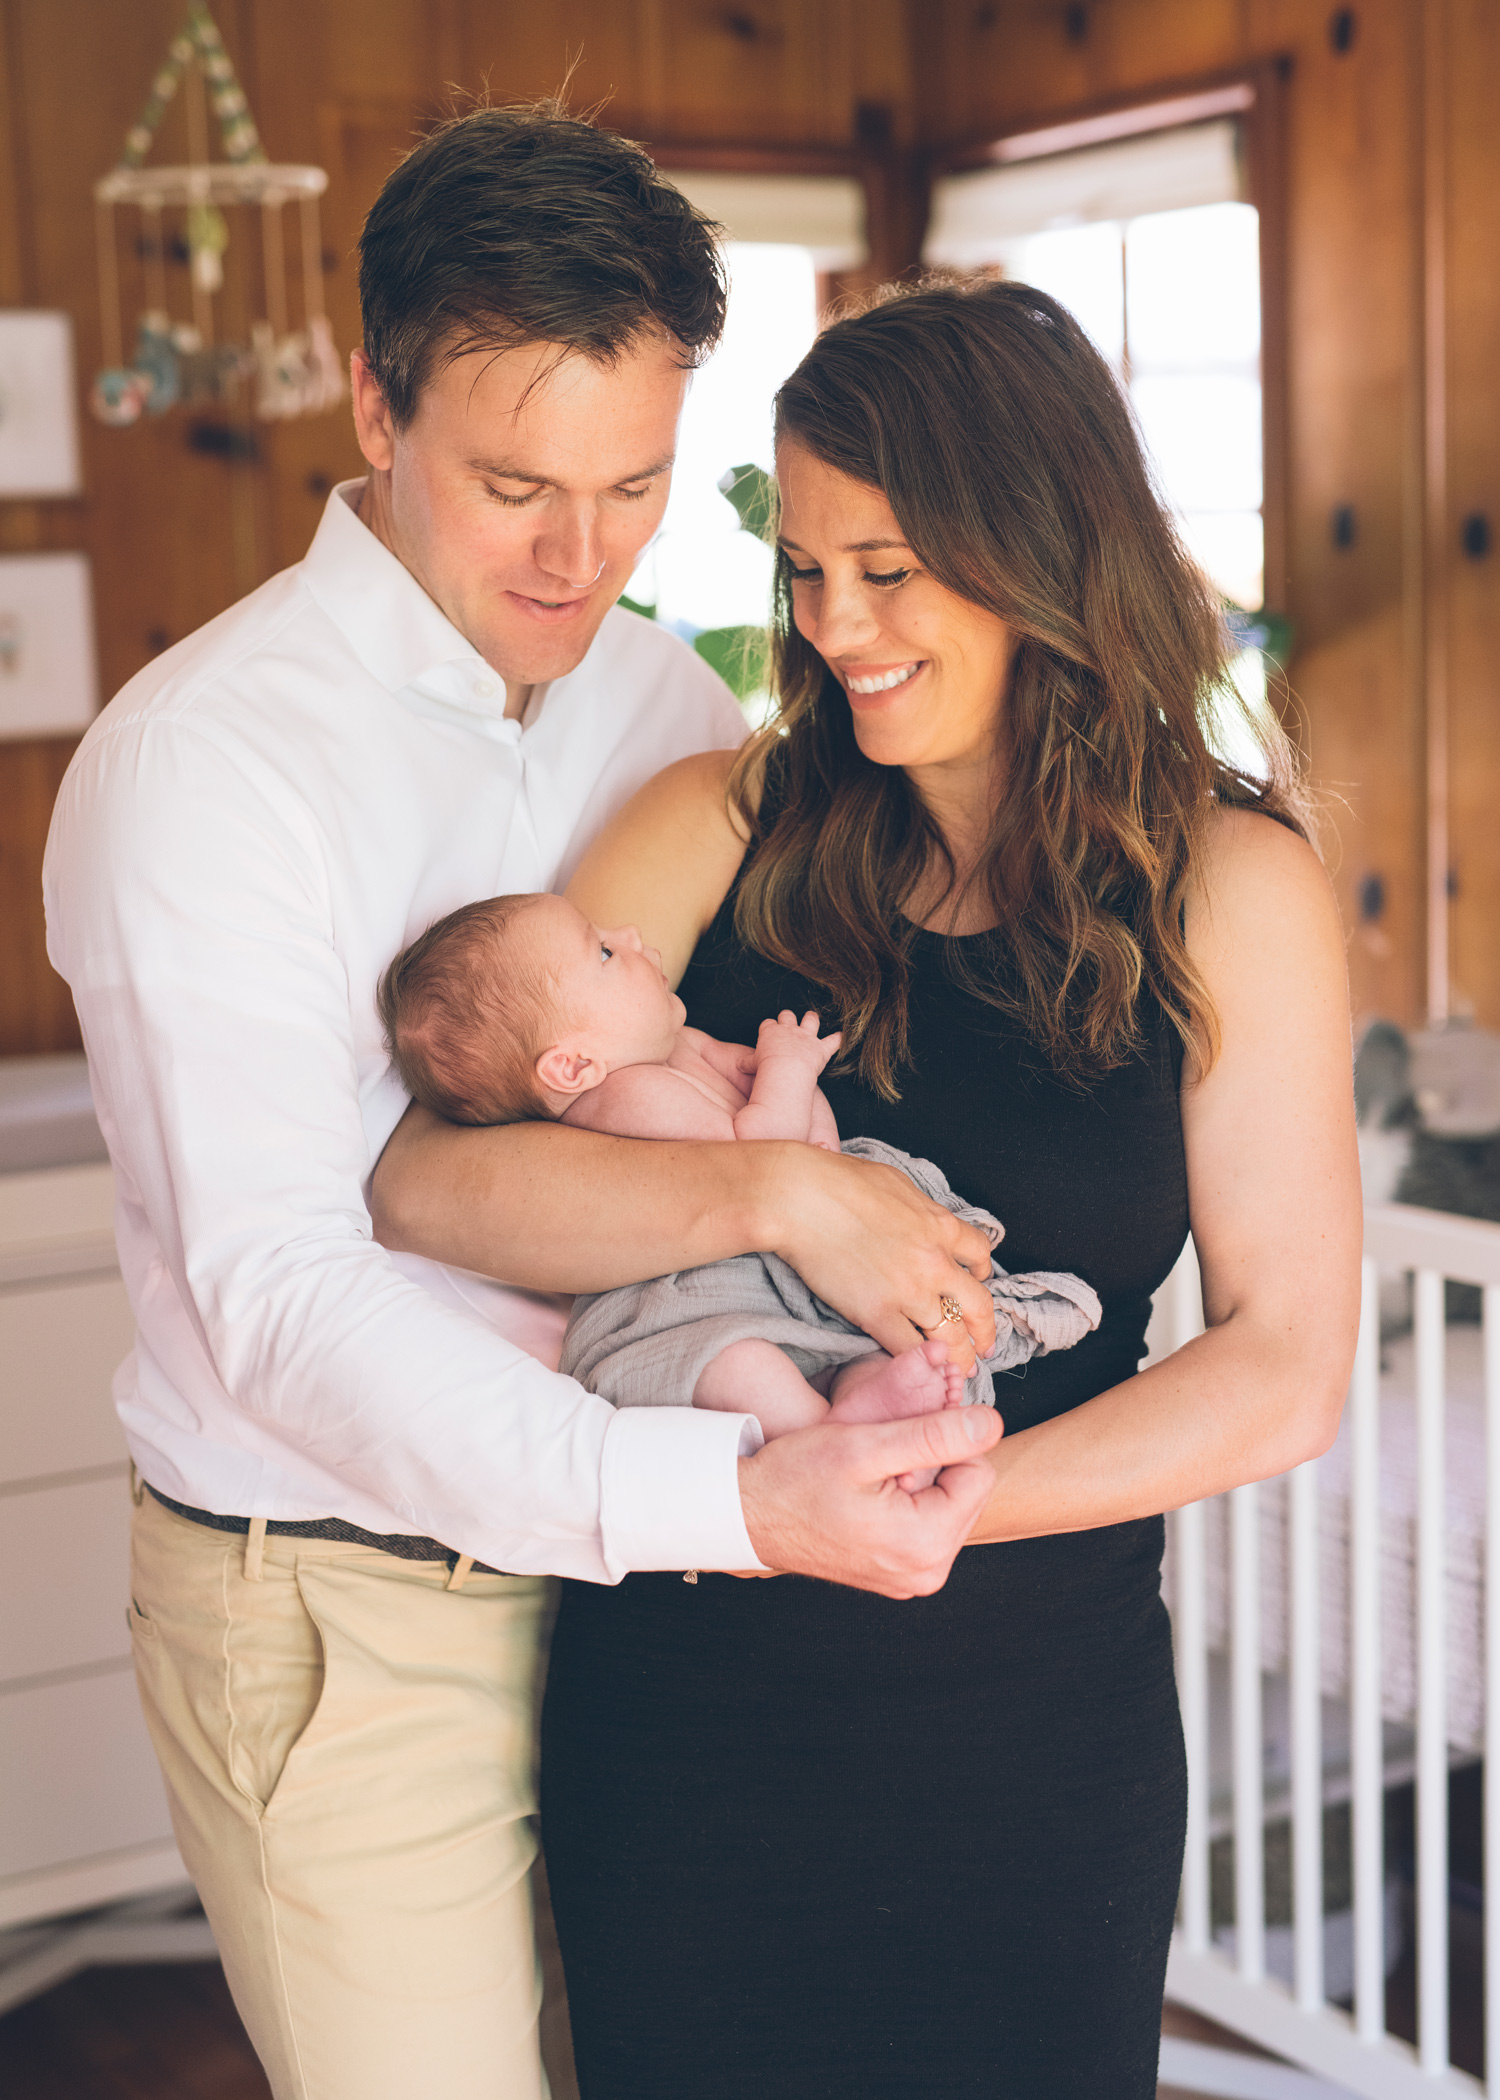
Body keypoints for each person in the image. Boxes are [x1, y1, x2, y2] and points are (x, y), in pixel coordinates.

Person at [41, 109, 1003, 2100]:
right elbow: (284, 1294)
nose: (580, 558)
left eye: (638, 486)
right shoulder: (200, 769)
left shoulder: (666, 712)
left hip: (647, 1603)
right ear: (376, 401)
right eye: (513, 487)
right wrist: (730, 1493)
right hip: (352, 1600)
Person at [373, 277, 1363, 2097]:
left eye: (889, 566)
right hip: (689, 1729)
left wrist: (901, 1502)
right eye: (809, 566)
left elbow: (1286, 1361)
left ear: (1035, 542)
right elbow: (434, 1185)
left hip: (1031, 1746)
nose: (834, 623)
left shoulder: (1229, 890)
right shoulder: (718, 825)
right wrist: (779, 1199)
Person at [376, 889, 1100, 1453]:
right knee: (740, 1369)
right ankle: (816, 1432)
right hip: (702, 1300)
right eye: (601, 952)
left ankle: (872, 1397)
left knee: (855, 1349)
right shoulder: (623, 1097)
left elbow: (748, 1101)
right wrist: (786, 1068)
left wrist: (750, 1066)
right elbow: (758, 1155)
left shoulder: (668, 1048)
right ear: (572, 1065)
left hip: (780, 1276)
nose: (628, 937)